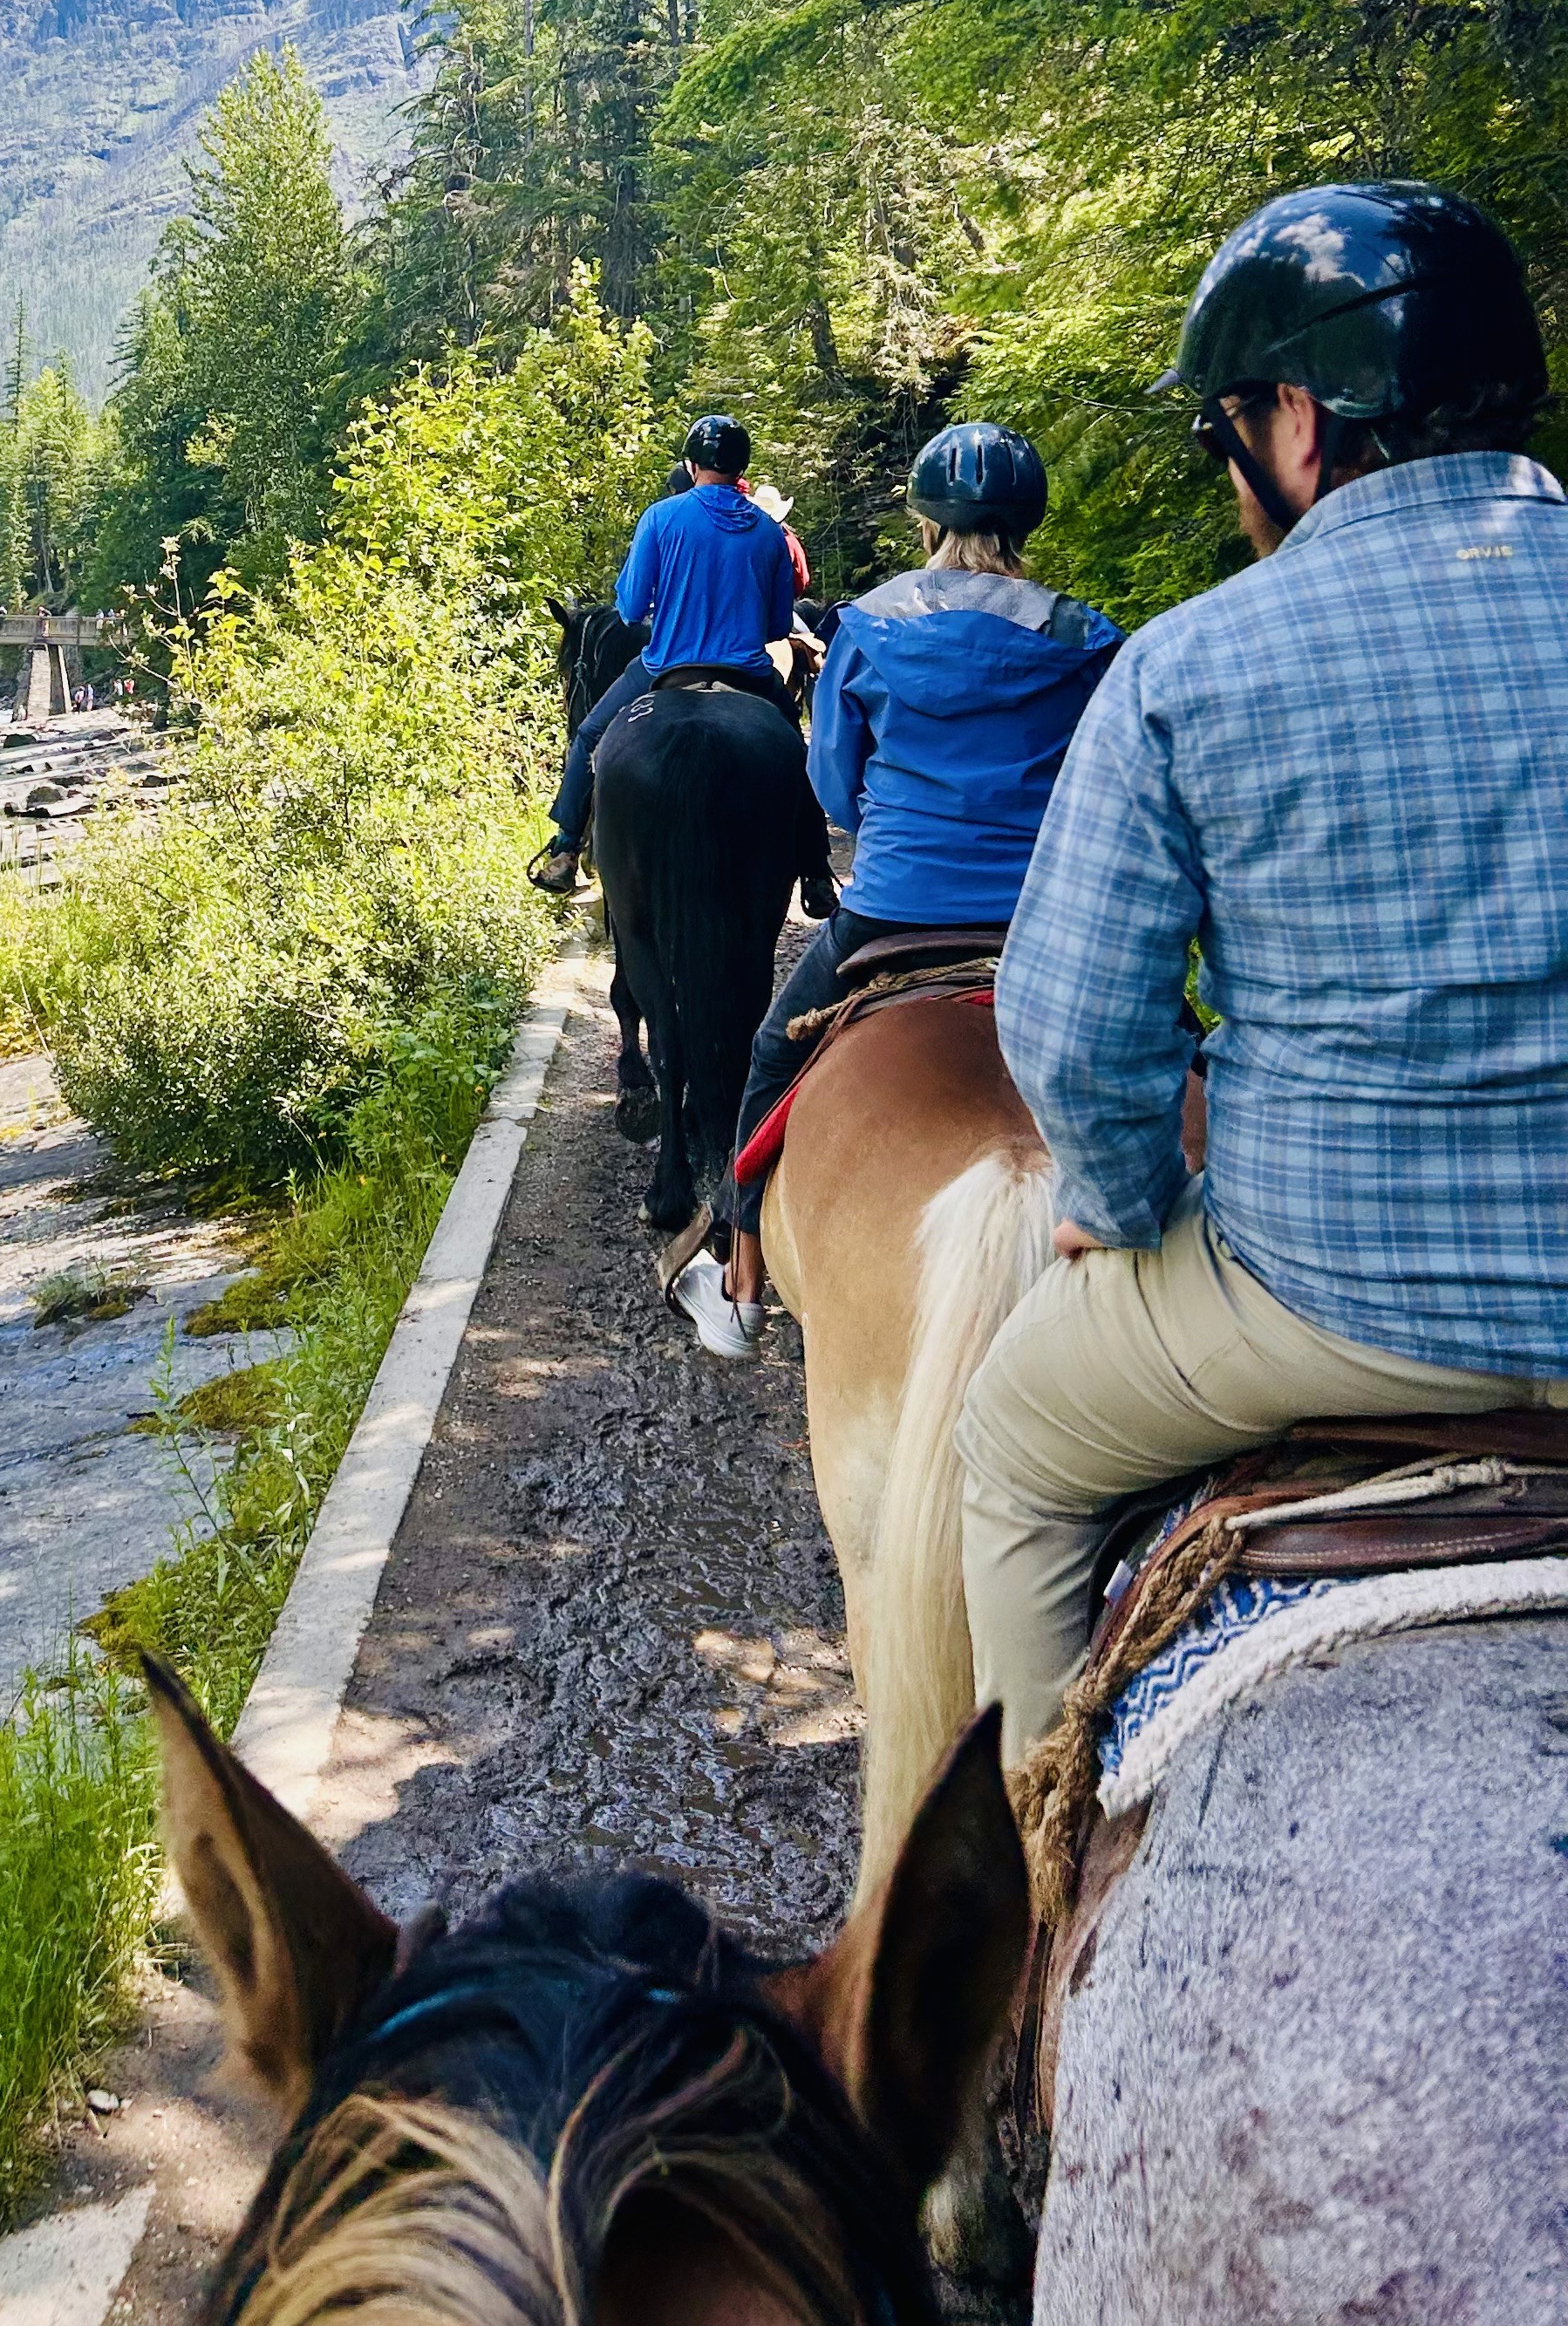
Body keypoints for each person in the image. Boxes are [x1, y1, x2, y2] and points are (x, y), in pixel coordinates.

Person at [961, 181, 1568, 1766]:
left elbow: (1071, 1026)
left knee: (1009, 1445)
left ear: (1297, 417)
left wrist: (1114, 1196)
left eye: (1230, 423)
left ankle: (1016, 1922)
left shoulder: (1190, 661)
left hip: (1326, 1300)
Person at [669, 421, 1123, 1359]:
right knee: (1188, 1047)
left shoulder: (870, 626)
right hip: (1047, 917)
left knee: (768, 1055)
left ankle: (742, 1280)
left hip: (897, 907)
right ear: (1026, 523)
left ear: (925, 522)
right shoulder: (1085, 636)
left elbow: (834, 785)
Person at [528, 413, 804, 897]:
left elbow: (631, 609)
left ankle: (567, 846)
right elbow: (778, 625)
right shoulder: (769, 533)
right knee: (798, 751)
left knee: (590, 735)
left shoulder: (661, 517)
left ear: (691, 463)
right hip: (749, 673)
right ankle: (817, 865)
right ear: (742, 467)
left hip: (666, 666)